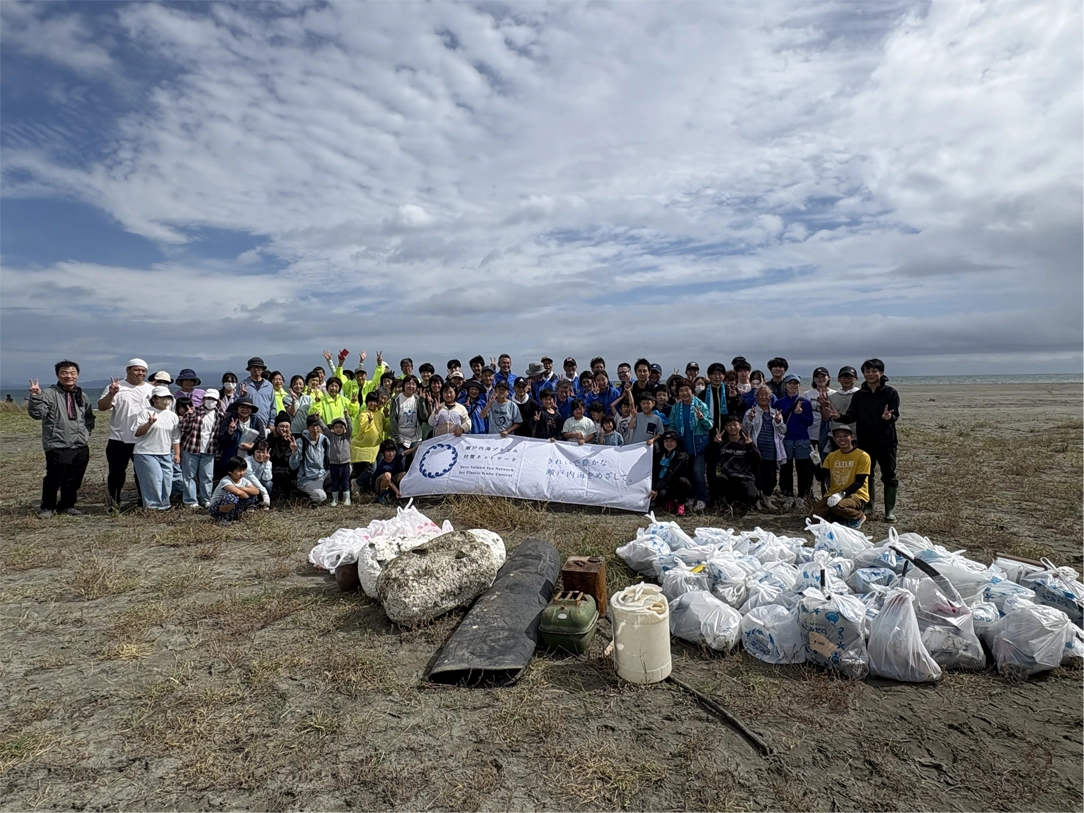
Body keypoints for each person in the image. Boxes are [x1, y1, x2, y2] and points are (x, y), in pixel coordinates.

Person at [827, 358, 901, 522]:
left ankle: (890, 511)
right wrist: (840, 417)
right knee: (867, 475)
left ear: (881, 373)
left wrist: (889, 417)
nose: (870, 374)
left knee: (889, 475)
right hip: (865, 440)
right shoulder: (859, 395)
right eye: (867, 371)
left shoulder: (890, 393)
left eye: (874, 371)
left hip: (886, 441)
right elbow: (852, 416)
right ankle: (868, 505)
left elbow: (895, 415)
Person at [27, 361, 96, 517]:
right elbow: (38, 414)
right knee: (54, 477)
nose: (69, 376)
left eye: (72, 373)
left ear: (77, 375)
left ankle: (67, 505)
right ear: (58, 375)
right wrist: (36, 397)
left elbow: (89, 417)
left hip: (80, 444)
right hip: (58, 443)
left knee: (75, 478)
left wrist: (86, 433)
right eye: (64, 373)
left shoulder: (81, 394)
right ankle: (47, 507)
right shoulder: (49, 393)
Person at [98, 358, 153, 509]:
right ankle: (114, 502)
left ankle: (143, 502)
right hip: (119, 438)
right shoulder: (116, 387)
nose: (140, 373)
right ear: (128, 370)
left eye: (143, 371)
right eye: (136, 369)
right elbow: (102, 407)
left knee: (142, 473)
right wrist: (111, 394)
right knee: (116, 473)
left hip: (143, 438)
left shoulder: (150, 389)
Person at [808, 423, 870, 528]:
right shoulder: (832, 456)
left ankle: (858, 516)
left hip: (855, 495)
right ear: (834, 439)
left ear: (852, 437)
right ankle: (838, 517)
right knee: (813, 518)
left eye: (845, 435)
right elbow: (820, 477)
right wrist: (817, 463)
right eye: (838, 436)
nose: (842, 439)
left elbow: (859, 482)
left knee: (838, 506)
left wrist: (841, 494)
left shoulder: (862, 456)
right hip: (833, 494)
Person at [132, 386, 181, 511]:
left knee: (166, 480)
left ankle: (164, 504)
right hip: (146, 452)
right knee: (154, 479)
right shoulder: (145, 412)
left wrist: (177, 454)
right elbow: (137, 432)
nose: (166, 401)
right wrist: (149, 423)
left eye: (168, 398)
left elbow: (175, 437)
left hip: (165, 452)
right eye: (163, 398)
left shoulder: (172, 415)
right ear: (154, 399)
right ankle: (152, 506)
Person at [667, 381, 712, 513]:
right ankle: (690, 497)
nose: (684, 393)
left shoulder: (701, 405)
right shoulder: (676, 407)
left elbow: (709, 425)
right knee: (687, 474)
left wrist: (702, 418)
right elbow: (671, 425)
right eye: (681, 391)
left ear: (692, 391)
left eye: (687, 390)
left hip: (698, 446)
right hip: (683, 447)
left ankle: (701, 498)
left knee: (698, 473)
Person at [742, 385, 787, 512]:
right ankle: (756, 500)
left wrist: (778, 421)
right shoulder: (750, 412)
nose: (763, 397)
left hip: (772, 449)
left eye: (766, 395)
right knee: (756, 476)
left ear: (770, 398)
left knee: (772, 478)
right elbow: (745, 430)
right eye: (760, 395)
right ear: (756, 397)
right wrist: (750, 419)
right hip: (756, 450)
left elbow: (783, 431)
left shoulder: (775, 412)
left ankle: (767, 498)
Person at [773, 373, 815, 510]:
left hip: (802, 439)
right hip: (786, 439)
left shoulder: (805, 402)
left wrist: (800, 414)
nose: (792, 386)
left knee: (803, 469)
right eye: (790, 383)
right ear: (785, 385)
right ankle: (788, 495)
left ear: (799, 385)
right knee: (786, 469)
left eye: (795, 383)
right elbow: (776, 422)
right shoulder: (779, 403)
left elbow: (809, 422)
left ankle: (802, 496)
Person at [177, 387, 223, 509]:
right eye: (208, 398)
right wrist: (190, 417)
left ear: (217, 401)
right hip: (191, 448)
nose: (210, 401)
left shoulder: (219, 415)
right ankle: (190, 501)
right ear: (203, 399)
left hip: (209, 450)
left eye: (213, 399)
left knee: (207, 476)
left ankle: (206, 499)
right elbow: (183, 427)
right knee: (189, 476)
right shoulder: (194, 411)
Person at [714, 414, 761, 514]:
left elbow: (758, 460)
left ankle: (741, 505)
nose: (732, 428)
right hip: (728, 477)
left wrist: (750, 447)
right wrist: (715, 445)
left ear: (740, 426)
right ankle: (726, 504)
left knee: (752, 496)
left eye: (735, 424)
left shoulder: (747, 441)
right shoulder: (722, 442)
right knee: (719, 481)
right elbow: (712, 459)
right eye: (729, 425)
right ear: (725, 428)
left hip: (745, 477)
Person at [207, 456, 263, 526]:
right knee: (231, 497)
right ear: (230, 471)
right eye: (239, 470)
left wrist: (242, 488)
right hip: (216, 509)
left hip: (233, 507)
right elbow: (239, 493)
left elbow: (256, 491)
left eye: (244, 470)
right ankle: (221, 518)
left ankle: (233, 516)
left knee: (253, 495)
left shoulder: (244, 480)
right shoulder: (225, 481)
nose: (242, 473)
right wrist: (245, 492)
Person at [290, 414, 330, 504]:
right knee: (321, 497)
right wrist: (294, 452)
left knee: (346, 469)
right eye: (312, 426)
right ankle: (311, 494)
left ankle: (326, 490)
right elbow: (293, 466)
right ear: (308, 428)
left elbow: (329, 458)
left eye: (317, 426)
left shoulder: (325, 440)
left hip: (322, 475)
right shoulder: (300, 442)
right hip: (307, 478)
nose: (315, 429)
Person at [651, 430, 691, 516]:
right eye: (666, 441)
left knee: (682, 481)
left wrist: (657, 488)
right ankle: (670, 501)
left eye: (672, 441)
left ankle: (681, 503)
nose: (669, 443)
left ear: (677, 442)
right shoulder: (659, 455)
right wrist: (654, 488)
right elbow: (655, 472)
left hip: (677, 484)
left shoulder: (682, 456)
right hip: (664, 484)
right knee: (661, 495)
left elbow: (672, 473)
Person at [351, 391, 385, 492]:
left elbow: (386, 427)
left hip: (378, 445)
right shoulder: (364, 414)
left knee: (378, 468)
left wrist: (386, 416)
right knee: (371, 468)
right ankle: (357, 482)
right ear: (366, 402)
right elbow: (363, 428)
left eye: (374, 401)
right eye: (370, 401)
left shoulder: (380, 414)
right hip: (367, 447)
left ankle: (373, 489)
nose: (372, 403)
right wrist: (369, 421)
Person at [389, 375, 429, 455]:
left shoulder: (418, 398)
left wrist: (422, 402)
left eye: (413, 384)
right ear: (404, 385)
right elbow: (392, 419)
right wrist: (397, 438)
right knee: (401, 461)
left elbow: (424, 417)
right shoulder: (396, 399)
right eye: (408, 383)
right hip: (400, 437)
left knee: (413, 461)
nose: (411, 386)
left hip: (415, 437)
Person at [267, 411, 297, 503]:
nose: (284, 429)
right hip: (274, 468)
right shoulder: (270, 438)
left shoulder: (292, 439)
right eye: (281, 426)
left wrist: (294, 450)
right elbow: (275, 456)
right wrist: (280, 440)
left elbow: (293, 459)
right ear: (276, 427)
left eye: (287, 426)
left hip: (288, 469)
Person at [322, 416, 353, 506]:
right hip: (333, 464)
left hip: (345, 463)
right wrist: (319, 419)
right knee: (335, 481)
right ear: (333, 429)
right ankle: (334, 499)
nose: (338, 429)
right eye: (336, 427)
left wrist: (347, 417)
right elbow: (324, 428)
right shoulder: (331, 437)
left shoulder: (346, 437)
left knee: (345, 481)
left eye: (341, 427)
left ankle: (347, 499)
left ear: (344, 428)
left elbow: (350, 427)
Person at [373, 439, 406, 504]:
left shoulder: (395, 459)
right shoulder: (383, 466)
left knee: (404, 474)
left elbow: (404, 453)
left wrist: (416, 448)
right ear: (383, 453)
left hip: (391, 482)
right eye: (388, 451)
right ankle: (382, 495)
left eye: (393, 451)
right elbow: (389, 481)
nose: (391, 453)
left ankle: (394, 493)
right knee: (387, 475)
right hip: (379, 485)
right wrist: (397, 491)